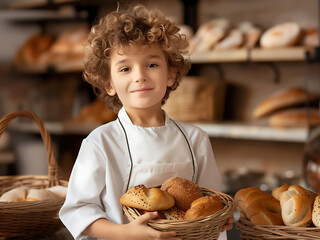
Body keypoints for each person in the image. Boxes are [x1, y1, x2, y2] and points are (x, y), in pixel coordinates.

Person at [59, 3, 234, 240]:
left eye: (152, 65)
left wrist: (220, 219)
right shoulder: (100, 143)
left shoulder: (195, 139)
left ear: (171, 74)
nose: (140, 76)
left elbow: (210, 201)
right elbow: (78, 211)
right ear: (108, 83)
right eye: (125, 69)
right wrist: (124, 233)